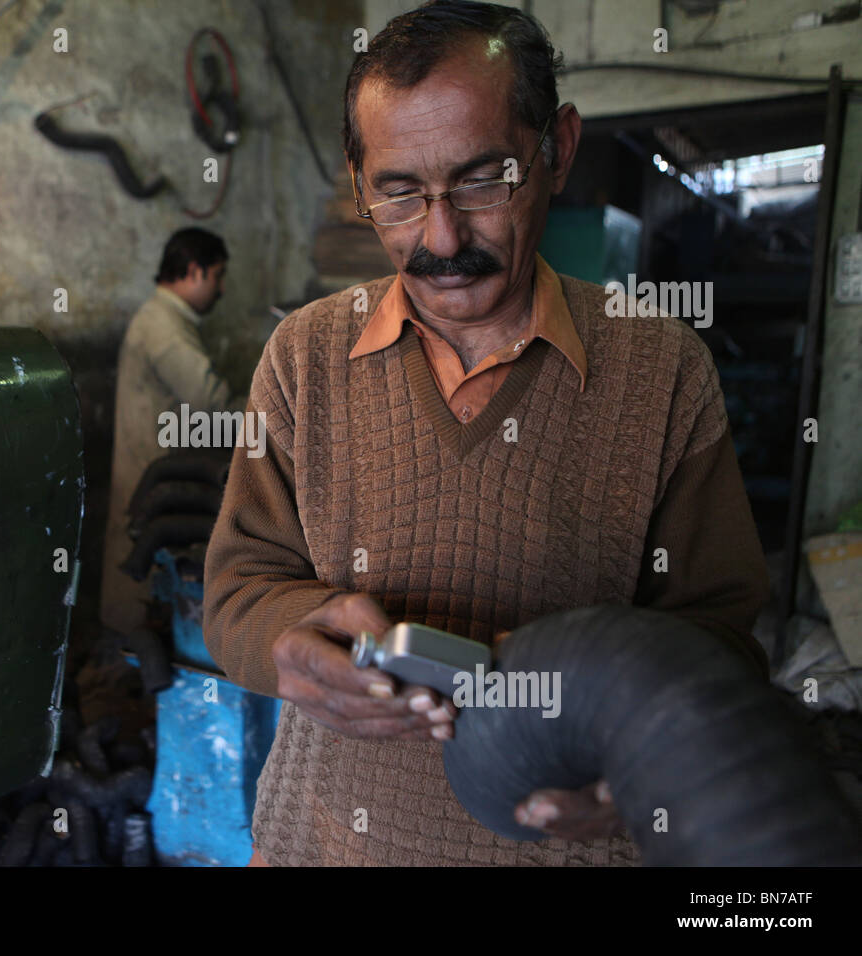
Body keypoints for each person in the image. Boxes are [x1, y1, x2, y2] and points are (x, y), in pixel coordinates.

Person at [203, 0, 770, 867]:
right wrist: (295, 641)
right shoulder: (304, 354)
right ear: (361, 186)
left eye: (482, 180)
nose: (441, 238)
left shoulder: (663, 373)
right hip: (319, 846)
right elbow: (238, 591)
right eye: (398, 193)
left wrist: (639, 773)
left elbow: (721, 639)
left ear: (558, 151)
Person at [101, 228, 239, 637]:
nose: (222, 288)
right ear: (194, 272)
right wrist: (274, 406)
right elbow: (212, 405)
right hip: (154, 472)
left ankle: (131, 657)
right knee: (142, 572)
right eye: (218, 275)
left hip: (154, 463)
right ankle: (131, 666)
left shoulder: (165, 320)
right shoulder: (163, 327)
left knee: (139, 565)